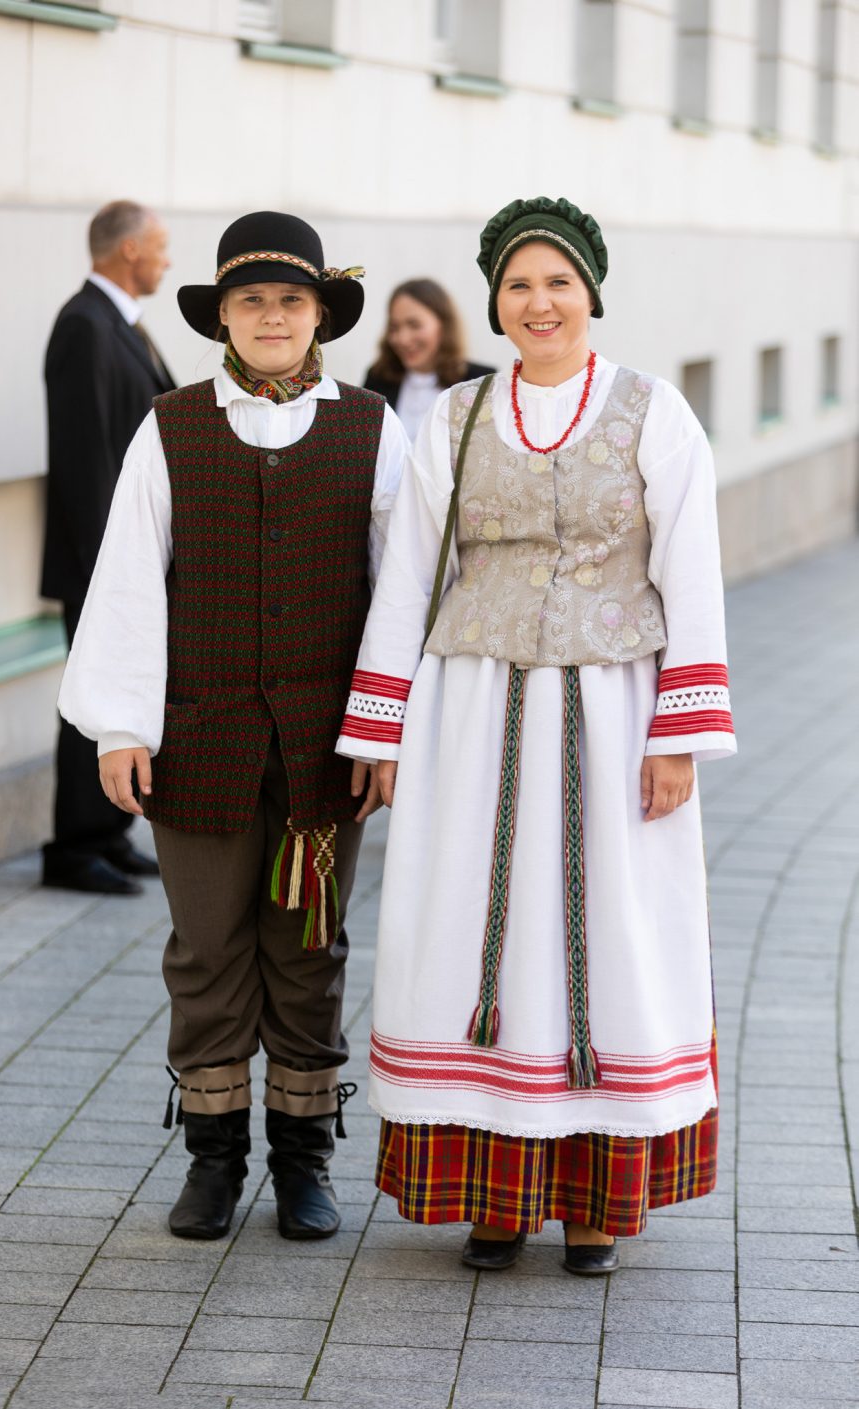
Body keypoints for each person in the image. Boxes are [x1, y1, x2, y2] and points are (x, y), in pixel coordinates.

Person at [337, 196, 736, 1274]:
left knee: (609, 930)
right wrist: (379, 729)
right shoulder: (456, 418)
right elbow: (410, 574)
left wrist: (677, 735)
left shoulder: (653, 411)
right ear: (496, 302)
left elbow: (689, 571)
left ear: (590, 294)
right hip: (471, 710)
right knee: (478, 925)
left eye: (558, 281)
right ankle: (494, 1194)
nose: (539, 301)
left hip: (612, 714)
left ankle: (597, 1200)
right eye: (519, 284)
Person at [58, 211, 407, 1243]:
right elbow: (125, 579)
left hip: (322, 749)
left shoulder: (371, 426)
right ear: (223, 315)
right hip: (198, 735)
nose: (271, 317)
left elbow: (401, 592)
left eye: (290, 301)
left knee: (309, 944)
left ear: (318, 318)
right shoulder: (171, 425)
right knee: (207, 948)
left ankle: (304, 1158)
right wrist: (120, 724)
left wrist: (382, 731)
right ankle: (213, 1157)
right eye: (251, 301)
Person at [41, 200, 175, 896]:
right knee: (88, 701)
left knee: (116, 695)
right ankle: (73, 846)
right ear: (128, 251)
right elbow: (84, 457)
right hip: (99, 560)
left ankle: (109, 832)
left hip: (121, 558)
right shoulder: (84, 327)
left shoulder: (117, 325)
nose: (167, 259)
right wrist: (111, 571)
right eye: (160, 246)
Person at [364, 278, 494, 441]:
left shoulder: (481, 382)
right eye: (394, 327)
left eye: (414, 325)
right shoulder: (377, 379)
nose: (402, 339)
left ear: (443, 325)